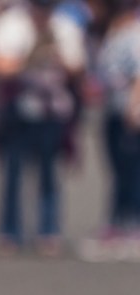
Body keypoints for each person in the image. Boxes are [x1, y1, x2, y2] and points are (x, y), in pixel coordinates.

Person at [0, 0, 87, 254]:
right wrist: (28, 57)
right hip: (17, 108)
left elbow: (78, 68)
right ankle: (9, 231)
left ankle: (48, 230)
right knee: (13, 171)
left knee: (48, 173)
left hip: (52, 110)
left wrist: (58, 57)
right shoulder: (11, 24)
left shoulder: (65, 26)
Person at [79, 0, 140, 259]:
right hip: (112, 111)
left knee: (131, 171)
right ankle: (117, 223)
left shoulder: (134, 34)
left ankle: (132, 225)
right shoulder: (109, 34)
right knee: (117, 169)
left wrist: (134, 106)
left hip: (128, 113)